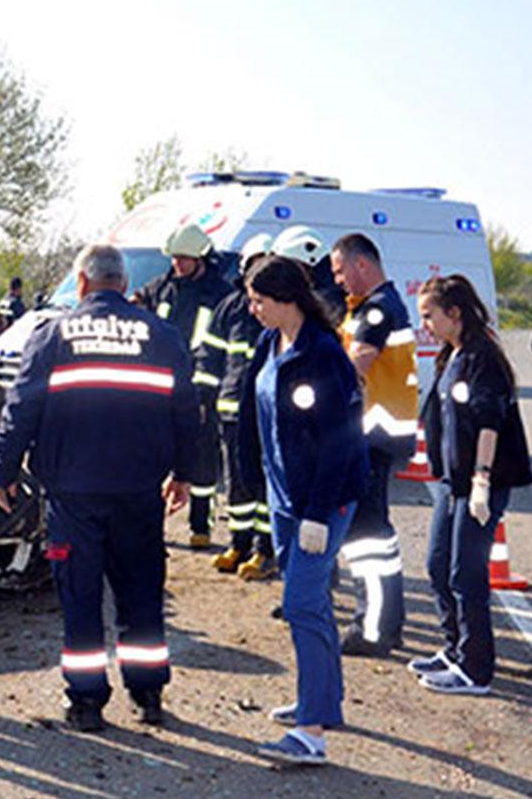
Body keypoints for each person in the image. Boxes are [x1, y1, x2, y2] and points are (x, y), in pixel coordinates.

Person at [0, 244, 205, 732]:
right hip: (138, 493)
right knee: (141, 594)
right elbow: (186, 415)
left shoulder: (52, 334)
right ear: (124, 285)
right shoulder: (162, 336)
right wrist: (185, 473)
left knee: (81, 600)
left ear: (82, 283)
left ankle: (86, 704)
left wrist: (1, 469)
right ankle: (148, 693)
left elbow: (21, 408)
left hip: (73, 496)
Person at [235, 255, 367, 766]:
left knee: (301, 603)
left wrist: (317, 512)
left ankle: (311, 734)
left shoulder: (324, 355)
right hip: (284, 497)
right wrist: (253, 480)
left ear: (287, 299)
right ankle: (321, 703)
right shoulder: (271, 342)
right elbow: (255, 413)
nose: (253, 309)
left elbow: (339, 442)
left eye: (259, 301)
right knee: (308, 607)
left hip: (322, 501)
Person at [414, 275, 532, 695]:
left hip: (478, 484)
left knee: (467, 574)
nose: (424, 323)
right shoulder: (453, 354)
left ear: (454, 313)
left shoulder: (483, 358)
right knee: (437, 565)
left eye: (429, 315)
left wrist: (481, 480)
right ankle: (454, 649)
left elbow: (488, 420)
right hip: (452, 483)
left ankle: (476, 670)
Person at [328, 233, 416, 657]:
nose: (339, 280)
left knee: (369, 538)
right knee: (370, 535)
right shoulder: (371, 307)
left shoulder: (378, 310)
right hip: (375, 435)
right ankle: (381, 623)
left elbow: (353, 364)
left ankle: (375, 629)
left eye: (341, 270)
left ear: (362, 265)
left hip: (373, 436)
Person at [137, 223, 232, 547]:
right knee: (153, 453)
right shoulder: (159, 288)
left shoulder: (220, 293)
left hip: (199, 385)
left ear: (200, 257)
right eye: (174, 258)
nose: (177, 264)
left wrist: (206, 389)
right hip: (159, 383)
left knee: (202, 456)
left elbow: (218, 345)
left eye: (184, 259)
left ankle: (200, 527)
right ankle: (151, 523)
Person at [202, 233, 275, 579]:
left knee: (265, 484)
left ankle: (264, 550)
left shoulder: (279, 308)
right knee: (237, 482)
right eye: (254, 263)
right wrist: (204, 399)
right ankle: (238, 544)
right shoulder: (230, 306)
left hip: (268, 412)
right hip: (232, 410)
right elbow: (210, 357)